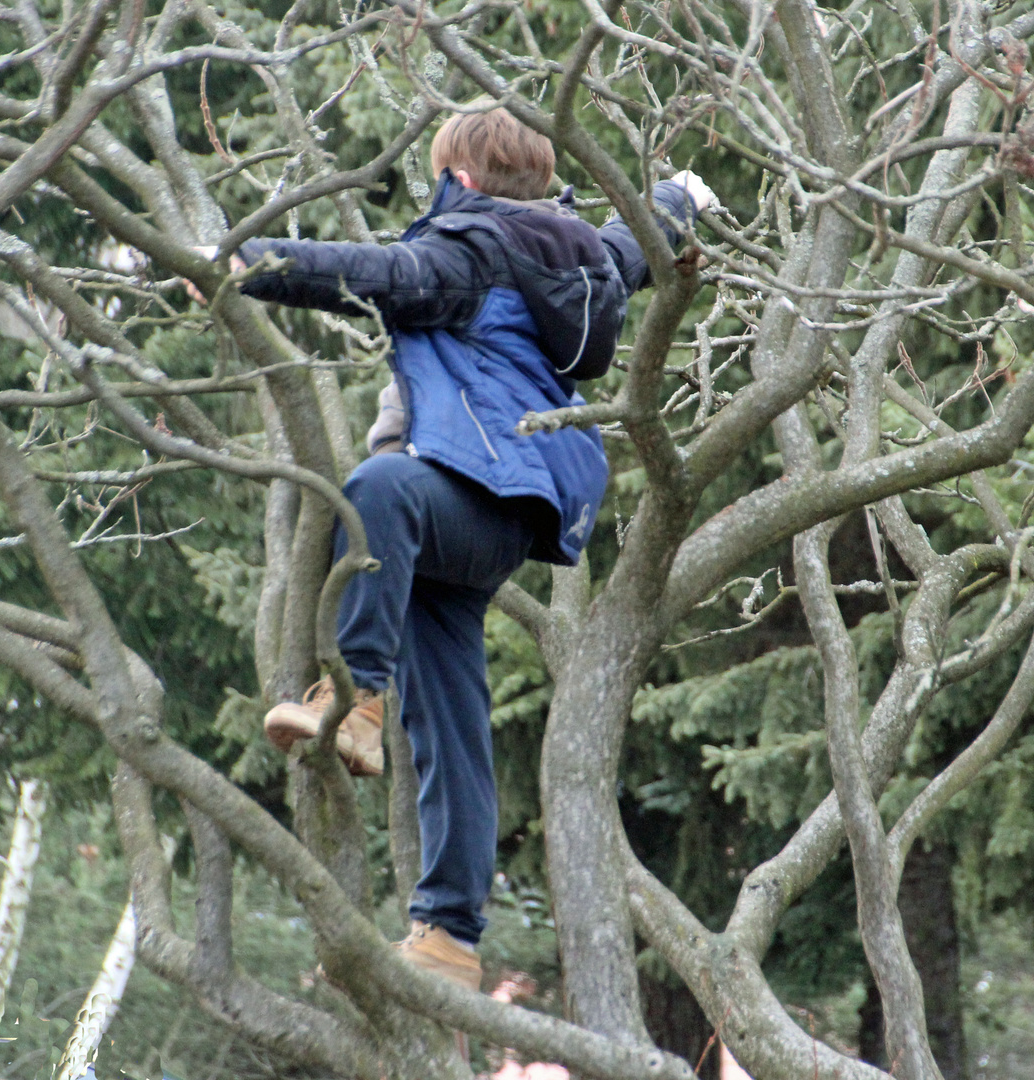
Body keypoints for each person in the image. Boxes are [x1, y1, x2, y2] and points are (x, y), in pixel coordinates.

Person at [229, 107, 713, 991]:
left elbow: (374, 273)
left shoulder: (469, 250)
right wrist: (680, 198)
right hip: (499, 516)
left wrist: (243, 264)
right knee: (453, 722)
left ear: (458, 181)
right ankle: (449, 935)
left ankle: (360, 697)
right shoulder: (577, 255)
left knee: (374, 487)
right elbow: (634, 239)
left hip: (460, 493)